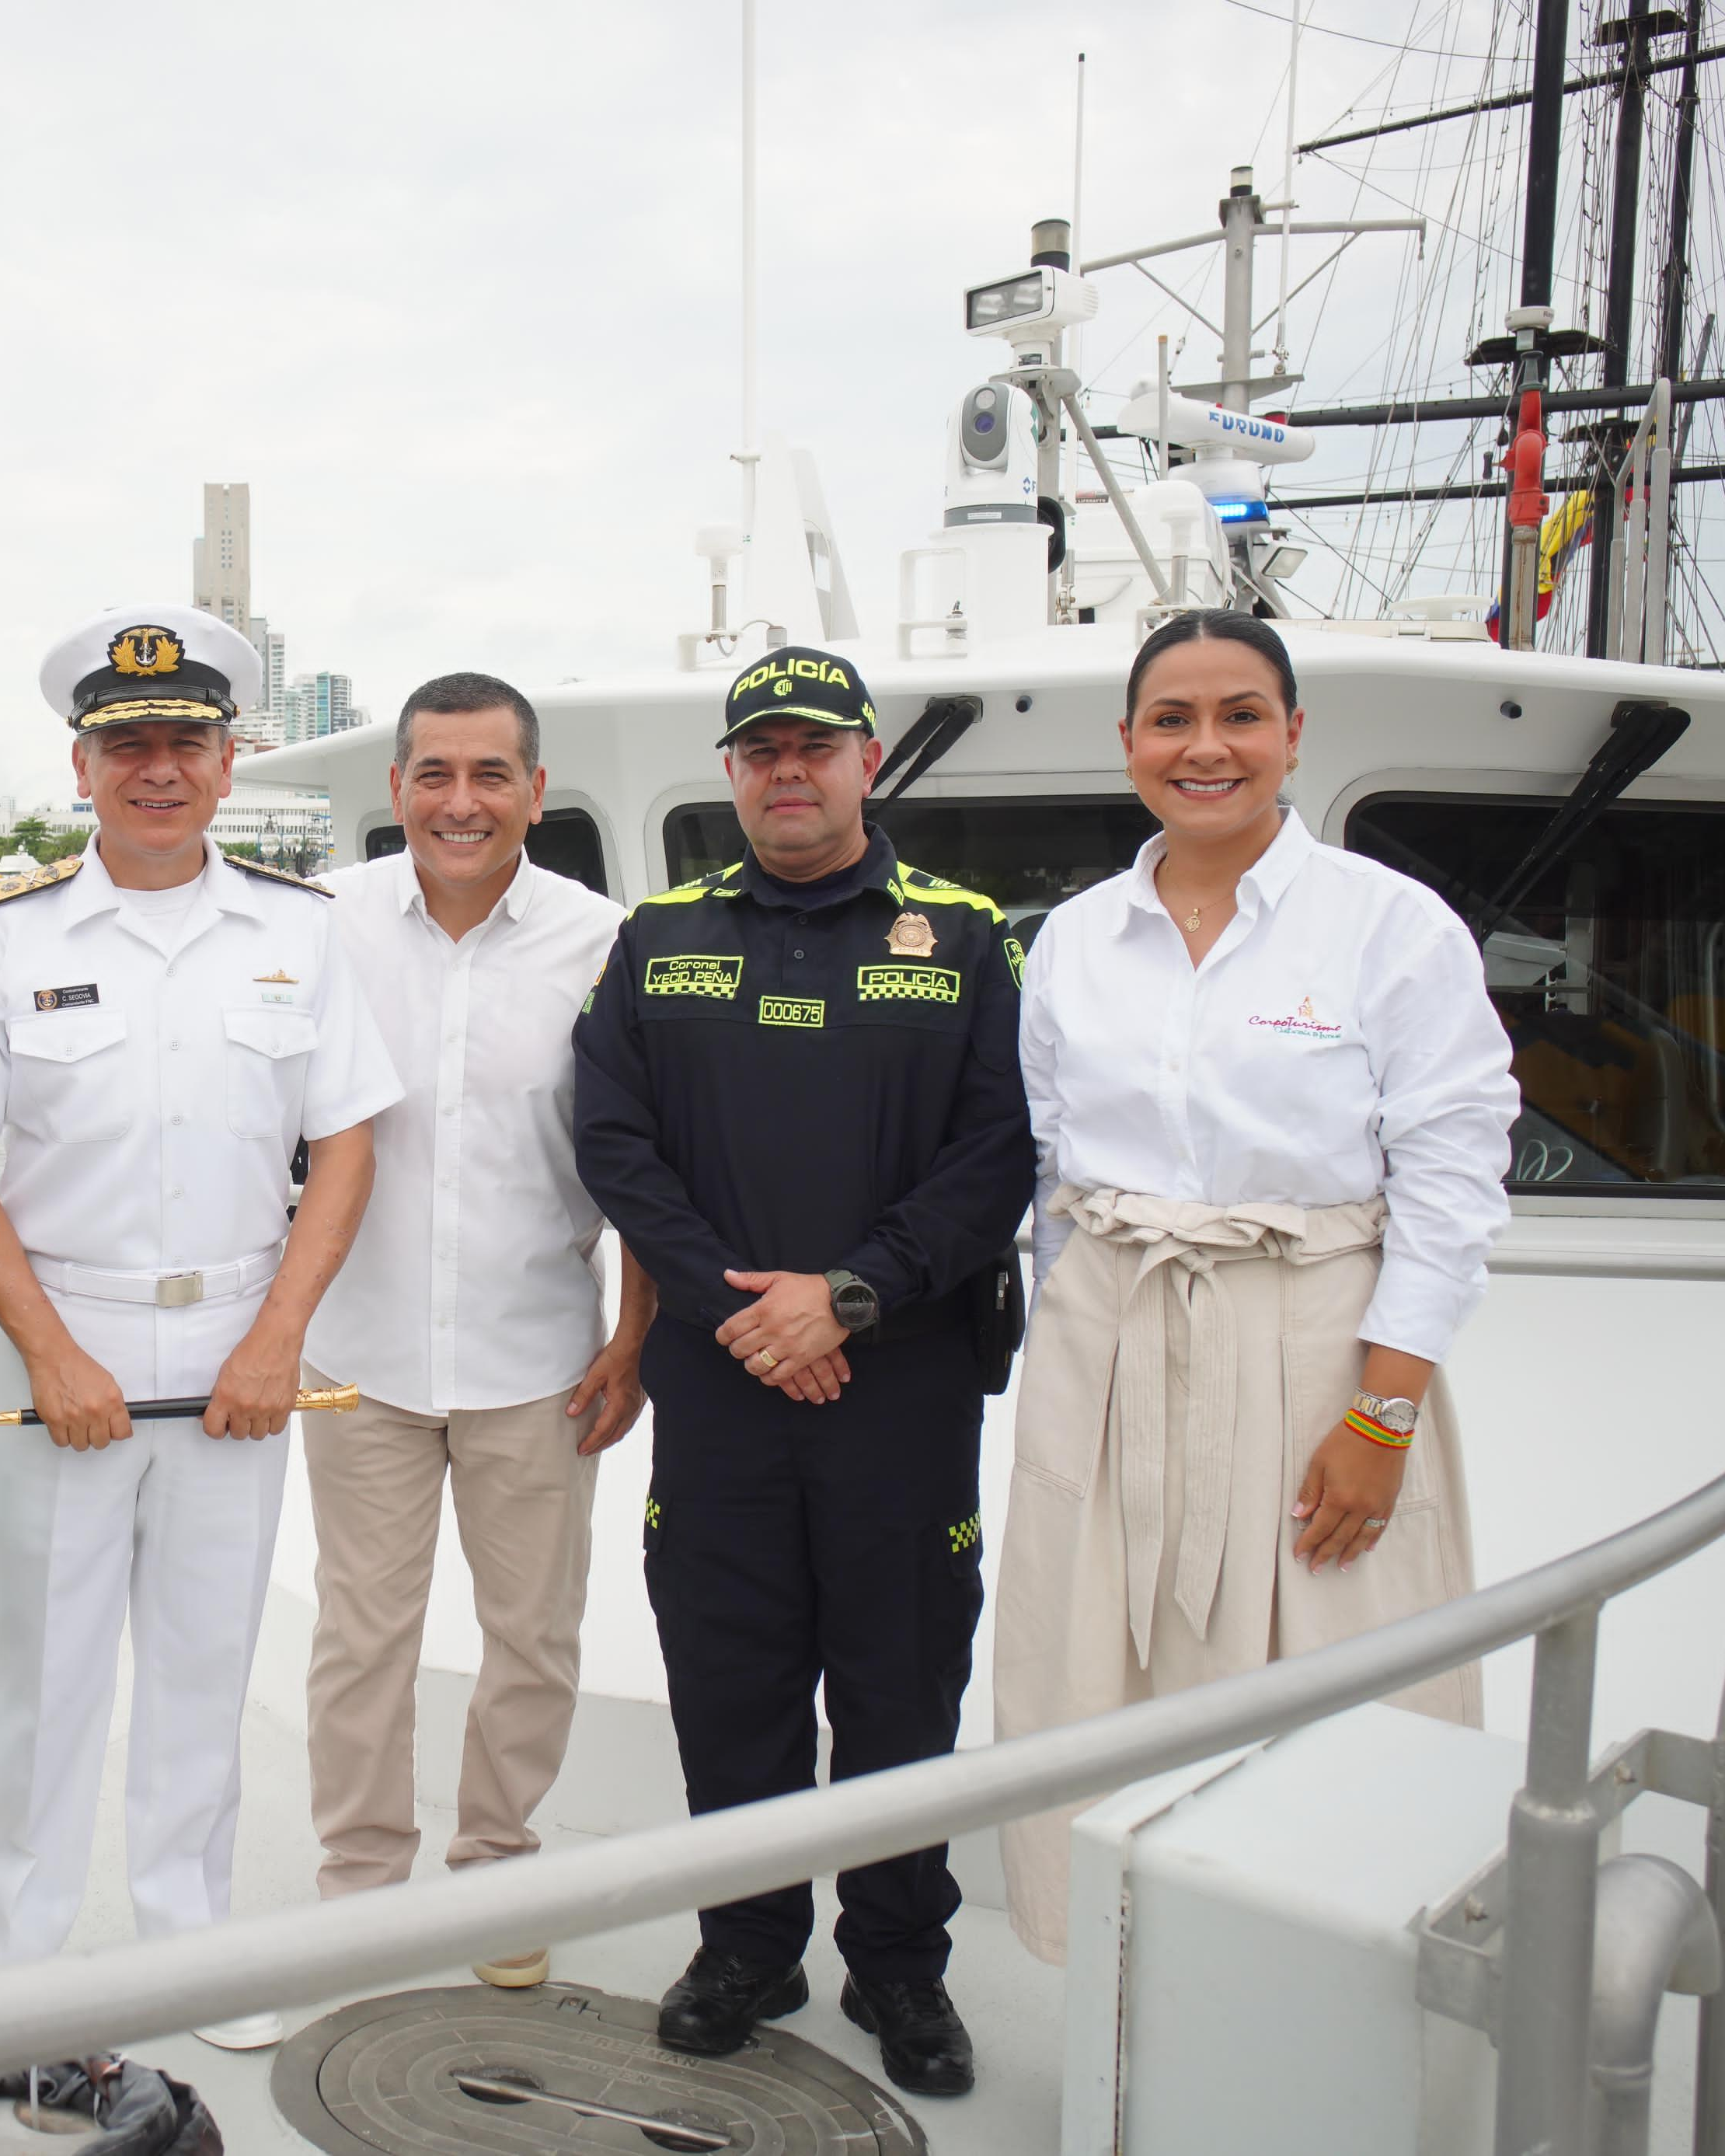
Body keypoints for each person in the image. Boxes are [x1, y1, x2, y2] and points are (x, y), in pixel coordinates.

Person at [992, 609, 1518, 1962]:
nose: (1206, 746)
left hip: (1317, 1349)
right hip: (1105, 1343)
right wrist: (1068, 1368)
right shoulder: (1075, 942)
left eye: (1240, 714)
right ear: (1128, 745)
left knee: (1339, 1665)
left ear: (1293, 734)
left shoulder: (1389, 927)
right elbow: (1053, 1170)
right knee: (1091, 1671)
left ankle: (1320, 1984)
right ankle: (1121, 1974)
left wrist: (1384, 1415)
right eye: (1172, 718)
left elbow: (1453, 1179)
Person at [572, 644, 1033, 2098]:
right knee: (731, 1676)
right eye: (762, 747)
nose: (790, 769)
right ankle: (749, 1945)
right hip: (719, 1383)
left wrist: (848, 1297)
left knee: (902, 1688)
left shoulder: (965, 940)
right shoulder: (659, 938)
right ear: (731, 771)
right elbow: (614, 1144)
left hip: (900, 1385)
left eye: (817, 745)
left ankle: (900, 1965)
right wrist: (737, 1309)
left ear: (866, 761)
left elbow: (1001, 1153)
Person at [0, 605, 401, 2050]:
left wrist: (278, 1340)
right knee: (45, 1684)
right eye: (125, 743)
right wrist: (51, 1353)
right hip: (56, 1337)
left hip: (236, 1352)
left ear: (228, 755)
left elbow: (348, 1147)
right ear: (78, 765)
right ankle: (13, 1986)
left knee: (206, 1668)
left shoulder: (302, 930)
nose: (157, 768)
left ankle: (188, 1953)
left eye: (184, 741)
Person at [301, 671, 653, 1986]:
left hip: (539, 1353)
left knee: (533, 1633)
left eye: (489, 774)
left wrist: (633, 1336)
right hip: (362, 1354)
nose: (461, 801)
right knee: (361, 1636)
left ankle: (498, 1866)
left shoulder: (604, 941)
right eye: (434, 774)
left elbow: (640, 1163)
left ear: (534, 791)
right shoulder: (321, 922)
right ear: (395, 790)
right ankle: (360, 1886)